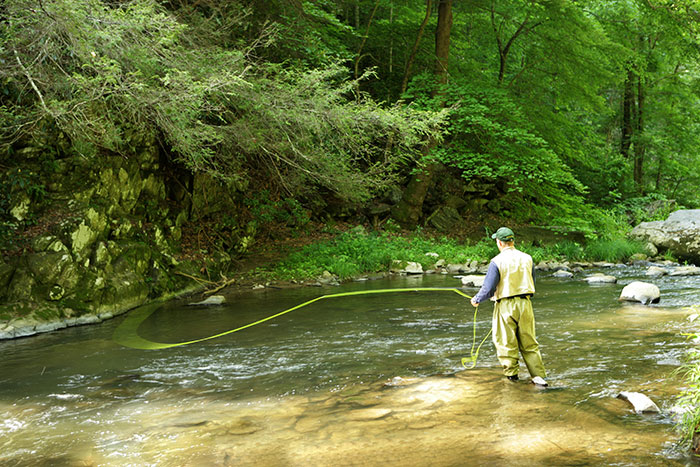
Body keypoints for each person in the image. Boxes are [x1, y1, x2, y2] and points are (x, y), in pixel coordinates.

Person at [470, 227, 548, 387]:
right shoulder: (528, 258)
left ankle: (512, 377)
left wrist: (477, 299)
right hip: (526, 303)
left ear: (499, 242)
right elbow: (532, 281)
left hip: (505, 305)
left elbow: (488, 288)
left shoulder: (496, 261)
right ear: (512, 241)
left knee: (506, 342)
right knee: (530, 343)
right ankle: (538, 377)